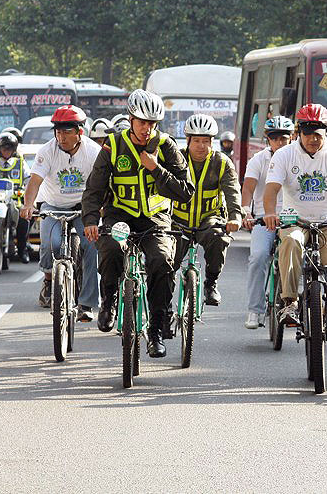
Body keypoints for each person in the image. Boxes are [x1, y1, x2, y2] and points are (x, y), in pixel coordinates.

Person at [83, 89, 194, 358]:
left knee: (161, 260)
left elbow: (186, 191)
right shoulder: (112, 145)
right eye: (142, 122)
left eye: (152, 123)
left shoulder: (166, 146)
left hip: (155, 219)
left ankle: (156, 330)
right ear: (131, 119)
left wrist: (156, 169)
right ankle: (109, 299)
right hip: (120, 215)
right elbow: (94, 188)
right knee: (111, 248)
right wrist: (91, 220)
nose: (147, 129)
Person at [262, 103, 327, 348]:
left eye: (318, 134)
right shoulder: (284, 154)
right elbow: (271, 189)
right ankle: (289, 302)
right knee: (290, 242)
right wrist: (270, 213)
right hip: (295, 220)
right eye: (307, 134)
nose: (313, 139)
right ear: (299, 132)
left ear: (326, 132)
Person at [19, 105, 101, 322]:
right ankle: (48, 279)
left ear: (79, 132)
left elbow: (102, 183)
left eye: (66, 132)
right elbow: (35, 181)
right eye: (57, 131)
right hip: (52, 204)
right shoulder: (47, 151)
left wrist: (101, 207)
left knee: (91, 246)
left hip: (83, 207)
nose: (61, 137)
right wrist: (28, 205)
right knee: (50, 244)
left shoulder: (93, 152)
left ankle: (86, 303)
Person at [171, 114, 242, 306]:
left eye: (206, 141)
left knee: (219, 237)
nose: (201, 146)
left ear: (212, 141)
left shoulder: (222, 162)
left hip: (209, 219)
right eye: (196, 141)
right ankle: (164, 308)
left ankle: (211, 283)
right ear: (188, 140)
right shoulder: (175, 159)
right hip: (178, 220)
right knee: (164, 260)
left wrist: (235, 217)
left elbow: (233, 192)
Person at [241, 116, 294, 329]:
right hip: (264, 219)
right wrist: (246, 211)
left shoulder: (298, 158)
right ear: (268, 140)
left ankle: (298, 303)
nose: (279, 142)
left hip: (292, 218)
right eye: (275, 138)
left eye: (284, 138)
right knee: (259, 256)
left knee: (303, 258)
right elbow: (248, 187)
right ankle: (255, 310)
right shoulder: (258, 160)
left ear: (292, 138)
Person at [0, 128, 31, 263]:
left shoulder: (20, 162)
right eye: (4, 148)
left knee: (24, 219)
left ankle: (22, 249)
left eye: (9, 149)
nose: (6, 151)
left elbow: (29, 179)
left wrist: (27, 192)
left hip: (15, 200)